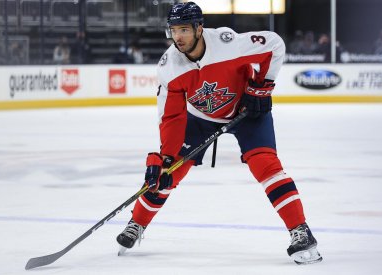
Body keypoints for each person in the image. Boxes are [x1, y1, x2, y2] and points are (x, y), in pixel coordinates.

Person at [116, 2, 322, 265]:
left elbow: (274, 44)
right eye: (173, 30)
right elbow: (171, 116)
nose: (177, 37)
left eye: (183, 30)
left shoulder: (227, 43)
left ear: (199, 28)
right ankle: (137, 223)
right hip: (199, 119)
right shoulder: (169, 66)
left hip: (246, 111)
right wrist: (166, 157)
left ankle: (300, 231)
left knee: (266, 165)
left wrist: (262, 87)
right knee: (168, 172)